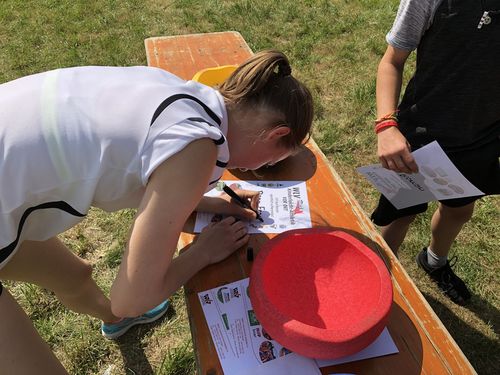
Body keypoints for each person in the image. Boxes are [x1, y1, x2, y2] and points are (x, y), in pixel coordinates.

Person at [0, 49, 314, 374]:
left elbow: (136, 172)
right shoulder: (199, 146)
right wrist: (203, 253)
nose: (262, 169)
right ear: (277, 135)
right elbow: (131, 297)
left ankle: (117, 323)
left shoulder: (181, 91)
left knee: (72, 276)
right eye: (271, 163)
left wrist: (209, 201)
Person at [371, 0, 500, 305]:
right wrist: (387, 127)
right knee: (399, 216)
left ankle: (434, 261)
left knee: (460, 209)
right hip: (420, 137)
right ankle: (373, 284)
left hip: (481, 138)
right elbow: (392, 61)